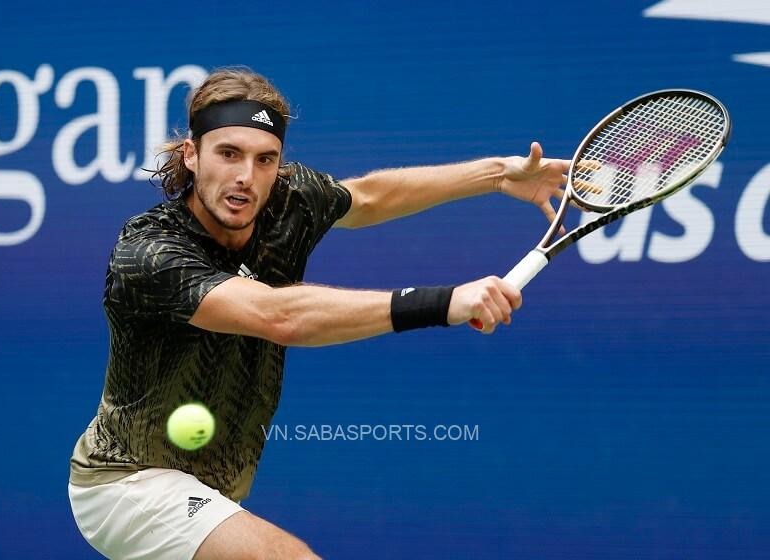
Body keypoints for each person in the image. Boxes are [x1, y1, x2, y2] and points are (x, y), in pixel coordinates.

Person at [68, 67, 569, 560]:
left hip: (212, 491)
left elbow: (368, 197)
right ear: (191, 155)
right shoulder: (149, 251)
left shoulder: (288, 203)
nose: (246, 177)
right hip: (125, 482)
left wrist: (498, 174)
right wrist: (441, 302)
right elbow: (278, 316)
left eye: (265, 159)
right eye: (228, 153)